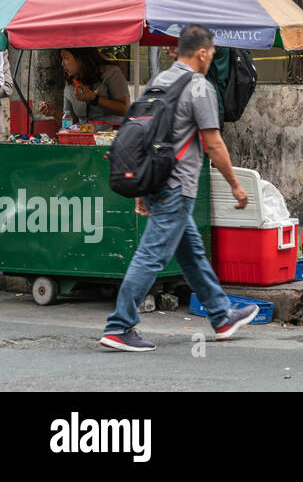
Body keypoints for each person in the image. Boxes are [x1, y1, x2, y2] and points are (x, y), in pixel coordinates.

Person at [100, 25, 259, 351]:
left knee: (192, 256)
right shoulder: (200, 88)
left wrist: (144, 191)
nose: (213, 57)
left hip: (159, 182)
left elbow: (146, 136)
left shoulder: (158, 81)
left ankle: (222, 316)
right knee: (151, 255)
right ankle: (119, 326)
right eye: (212, 52)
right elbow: (213, 144)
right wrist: (235, 186)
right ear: (201, 52)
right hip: (177, 186)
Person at [40, 48, 130, 126]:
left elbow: (125, 109)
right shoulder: (70, 83)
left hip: (112, 136)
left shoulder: (110, 73)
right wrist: (55, 113)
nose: (62, 64)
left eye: (66, 58)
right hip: (84, 138)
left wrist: (94, 99)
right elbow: (72, 122)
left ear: (81, 58)